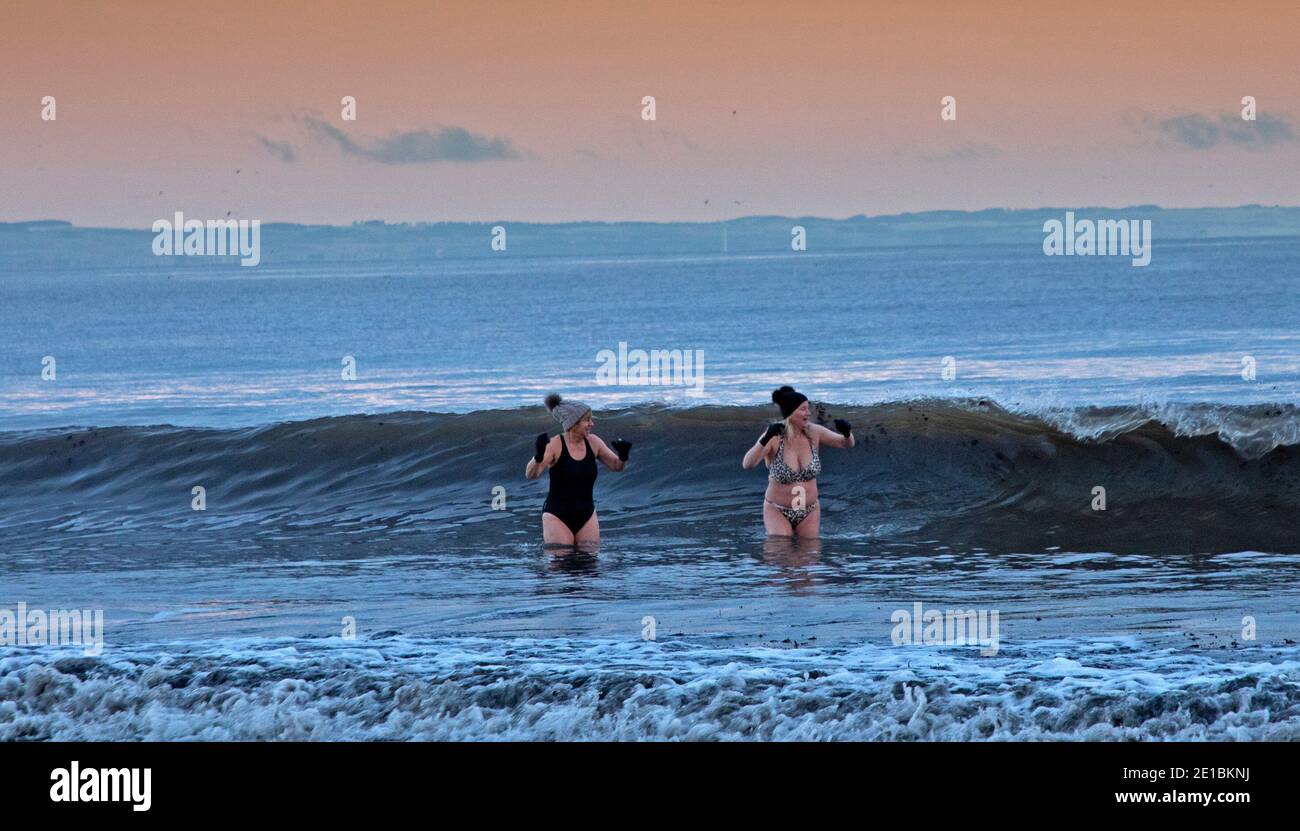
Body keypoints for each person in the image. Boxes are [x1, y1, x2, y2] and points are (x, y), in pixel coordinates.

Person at [742, 385, 854, 537]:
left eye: (808, 408)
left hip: (810, 511)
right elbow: (748, 464)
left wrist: (847, 433)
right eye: (803, 409)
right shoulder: (774, 435)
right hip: (777, 510)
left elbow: (845, 444)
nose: (808, 413)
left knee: (809, 557)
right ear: (790, 412)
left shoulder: (814, 432)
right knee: (781, 551)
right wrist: (765, 439)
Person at [525, 393, 631, 545]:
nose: (591, 424)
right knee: (561, 561)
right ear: (573, 423)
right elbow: (531, 474)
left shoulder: (594, 442)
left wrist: (623, 455)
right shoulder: (555, 444)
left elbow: (616, 466)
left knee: (590, 563)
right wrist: (539, 456)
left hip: (586, 513)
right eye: (587, 420)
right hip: (556, 514)